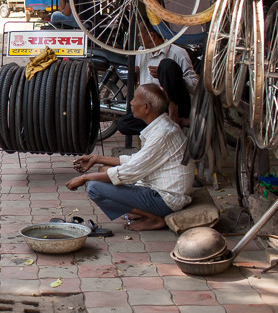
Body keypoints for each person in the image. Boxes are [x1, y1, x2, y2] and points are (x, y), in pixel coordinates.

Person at [65, 83, 194, 231]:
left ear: (146, 107)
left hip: (167, 199)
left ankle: (154, 218)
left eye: (134, 99)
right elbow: (136, 159)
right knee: (102, 170)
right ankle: (144, 212)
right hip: (157, 189)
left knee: (94, 187)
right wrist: (96, 158)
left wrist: (84, 178)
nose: (131, 102)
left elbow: (129, 172)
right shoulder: (162, 126)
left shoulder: (162, 134)